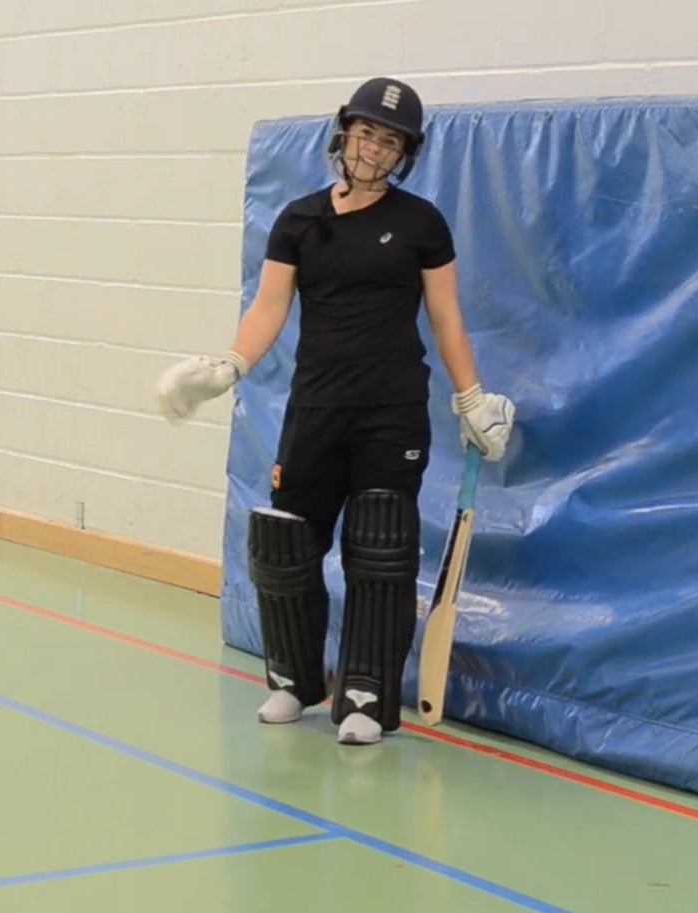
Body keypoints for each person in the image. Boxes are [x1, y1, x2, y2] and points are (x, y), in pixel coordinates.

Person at [154, 76, 515, 745]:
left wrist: (470, 397)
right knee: (285, 544)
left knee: (379, 548)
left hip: (392, 411)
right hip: (315, 407)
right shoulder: (298, 219)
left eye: (390, 141)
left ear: (403, 154)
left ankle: (366, 696)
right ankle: (295, 680)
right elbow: (268, 307)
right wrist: (227, 367)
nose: (374, 148)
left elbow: (446, 318)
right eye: (367, 132)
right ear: (344, 132)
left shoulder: (420, 224)